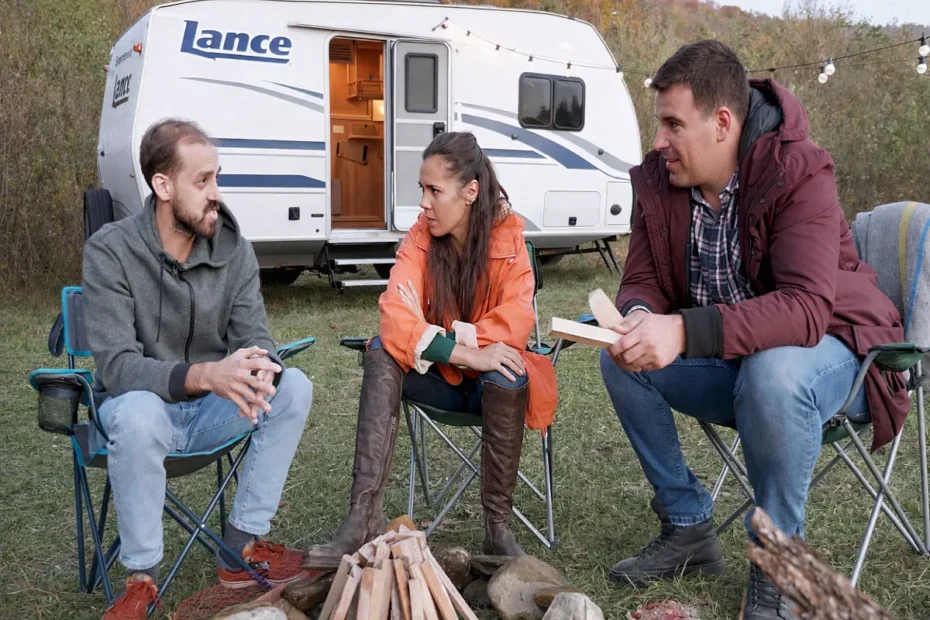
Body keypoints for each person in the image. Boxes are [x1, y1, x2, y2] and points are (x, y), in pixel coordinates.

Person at [598, 40, 909, 619]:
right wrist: (639, 316)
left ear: (722, 123)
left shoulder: (798, 168)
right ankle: (688, 527)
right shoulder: (659, 180)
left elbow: (807, 309)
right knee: (619, 358)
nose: (658, 140)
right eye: (657, 122)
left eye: (672, 124)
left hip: (840, 352)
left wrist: (683, 333)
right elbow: (641, 278)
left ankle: (778, 565)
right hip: (739, 365)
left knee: (775, 370)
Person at [82, 119, 313, 619]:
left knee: (293, 387)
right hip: (141, 419)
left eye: (217, 178)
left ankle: (240, 548)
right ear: (162, 186)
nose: (216, 194)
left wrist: (259, 367)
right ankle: (141, 579)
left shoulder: (235, 252)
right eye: (202, 180)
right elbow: (118, 367)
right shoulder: (111, 251)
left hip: (212, 415)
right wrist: (207, 375)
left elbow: (257, 340)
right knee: (140, 410)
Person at [302, 131, 555, 567]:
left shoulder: (510, 238)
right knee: (382, 350)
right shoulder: (420, 237)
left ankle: (497, 529)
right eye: (422, 189)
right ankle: (362, 517)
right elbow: (394, 315)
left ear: (470, 192)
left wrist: (454, 347)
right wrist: (466, 352)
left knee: (508, 370)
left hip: (488, 390)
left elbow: (513, 324)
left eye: (434, 191)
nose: (423, 202)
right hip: (440, 375)